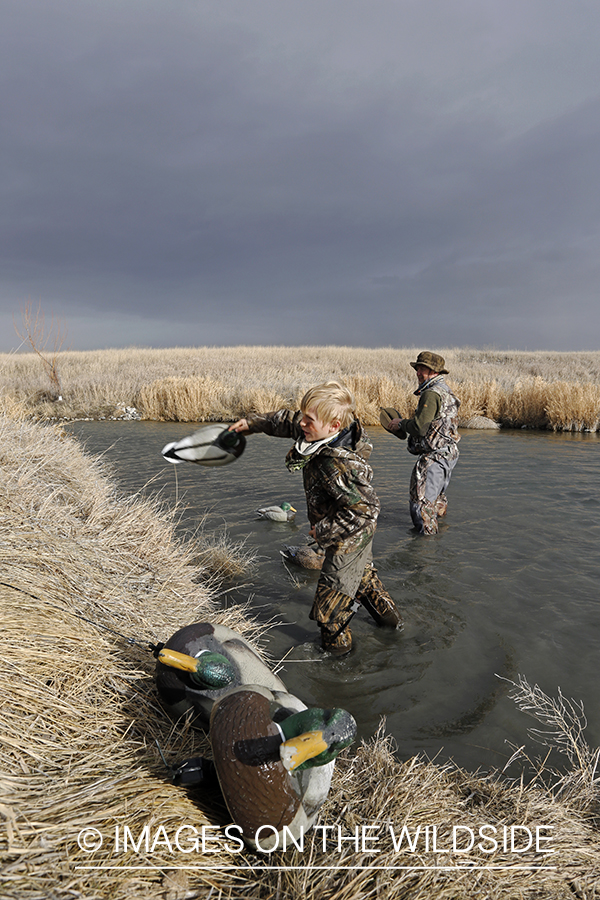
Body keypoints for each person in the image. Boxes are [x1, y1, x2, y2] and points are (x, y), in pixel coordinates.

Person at [230, 381, 402, 656]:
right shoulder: (324, 428)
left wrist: (322, 531)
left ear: (334, 426)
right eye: (304, 416)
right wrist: (251, 424)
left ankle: (338, 665)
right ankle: (395, 629)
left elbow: (367, 510)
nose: (302, 424)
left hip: (348, 538)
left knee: (328, 612)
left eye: (309, 420)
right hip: (344, 529)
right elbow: (287, 420)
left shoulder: (338, 464)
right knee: (365, 581)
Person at [384, 352, 460, 535]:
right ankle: (439, 539)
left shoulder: (431, 393)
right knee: (437, 503)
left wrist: (400, 423)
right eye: (417, 368)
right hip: (449, 454)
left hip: (434, 458)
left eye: (422, 369)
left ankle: (424, 553)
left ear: (433, 371)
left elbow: (420, 427)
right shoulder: (446, 391)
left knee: (421, 506)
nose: (418, 372)